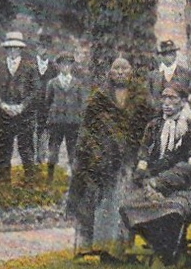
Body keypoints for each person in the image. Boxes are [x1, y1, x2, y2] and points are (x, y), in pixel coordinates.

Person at [66, 56, 154, 258]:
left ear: (131, 72)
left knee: (121, 200)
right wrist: (92, 152)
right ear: (110, 73)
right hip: (100, 158)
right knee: (96, 200)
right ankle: (92, 246)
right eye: (116, 69)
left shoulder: (141, 98)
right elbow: (87, 128)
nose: (121, 72)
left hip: (128, 159)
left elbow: (149, 128)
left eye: (125, 68)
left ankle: (116, 249)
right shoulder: (100, 97)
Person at [118, 84, 191, 264]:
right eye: (164, 98)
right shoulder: (154, 125)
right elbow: (144, 153)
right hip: (152, 182)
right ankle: (157, 245)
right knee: (128, 205)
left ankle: (166, 251)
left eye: (172, 99)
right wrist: (142, 172)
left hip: (182, 184)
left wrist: (161, 181)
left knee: (173, 209)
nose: (167, 103)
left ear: (183, 102)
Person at [0, 31, 42, 183]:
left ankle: (30, 184)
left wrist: (23, 106)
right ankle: (4, 183)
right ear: (6, 49)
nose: (13, 51)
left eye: (16, 48)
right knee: (4, 149)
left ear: (20, 49)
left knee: (26, 149)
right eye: (10, 48)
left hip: (25, 116)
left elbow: (36, 91)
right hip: (4, 116)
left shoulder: (30, 67)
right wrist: (2, 105)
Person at [41, 52, 86, 183]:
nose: (65, 67)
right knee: (53, 150)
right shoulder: (52, 83)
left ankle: (74, 178)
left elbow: (81, 103)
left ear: (72, 66)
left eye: (68, 64)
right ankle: (49, 177)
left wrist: (79, 119)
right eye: (63, 65)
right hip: (56, 122)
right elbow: (47, 102)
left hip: (73, 123)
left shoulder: (77, 84)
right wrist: (50, 118)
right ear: (58, 66)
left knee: (73, 150)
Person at [145, 38, 191, 106]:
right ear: (161, 56)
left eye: (172, 53)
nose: (170, 57)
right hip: (157, 113)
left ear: (175, 55)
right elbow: (148, 96)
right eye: (165, 54)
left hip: (179, 111)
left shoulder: (185, 73)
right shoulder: (153, 75)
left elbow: (188, 95)